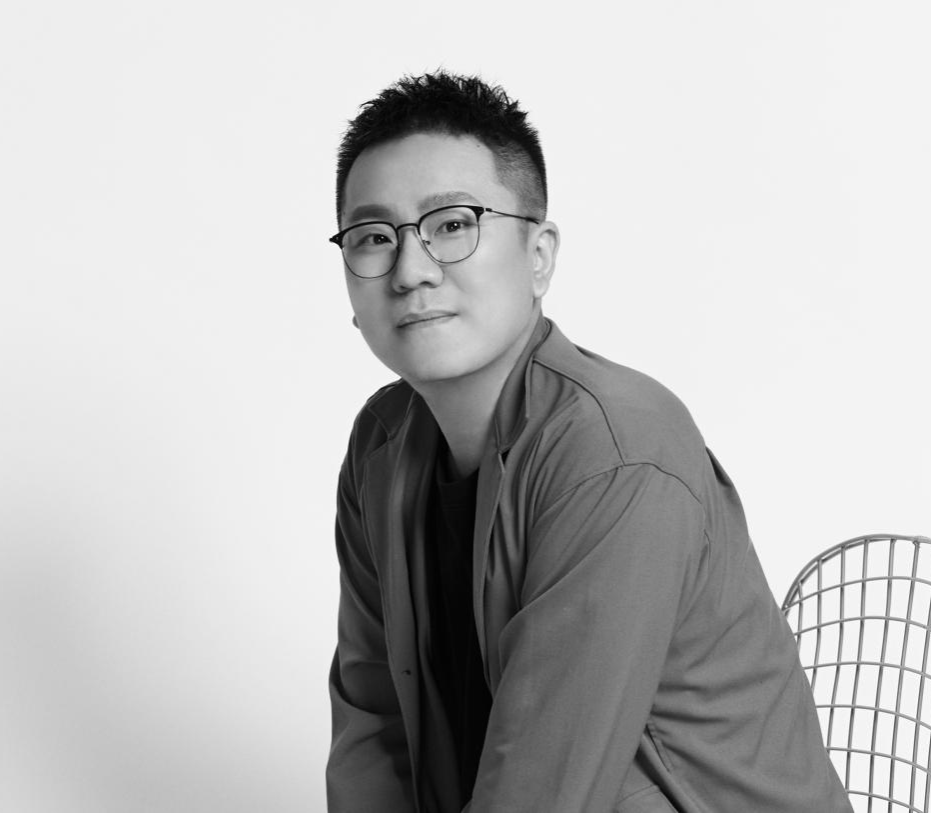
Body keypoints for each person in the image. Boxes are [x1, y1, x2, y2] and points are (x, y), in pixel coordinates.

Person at [325, 71, 851, 813]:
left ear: (539, 255)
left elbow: (545, 794)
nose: (411, 271)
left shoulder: (614, 451)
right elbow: (373, 727)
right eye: (375, 238)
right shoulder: (382, 446)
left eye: (452, 224)